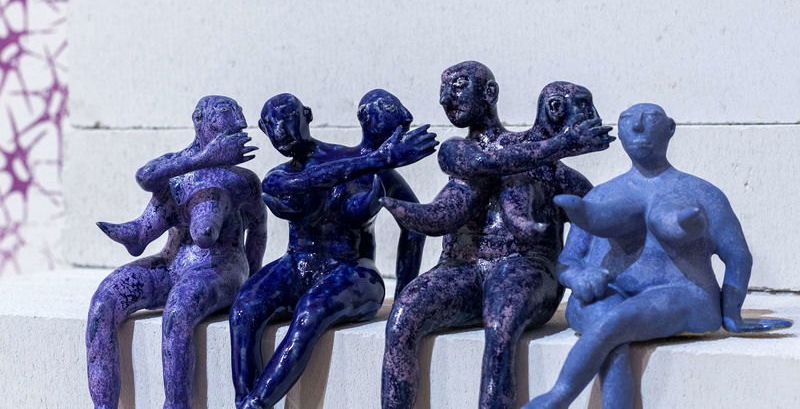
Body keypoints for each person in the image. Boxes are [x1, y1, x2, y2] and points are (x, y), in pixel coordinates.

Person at [525, 103, 793, 409]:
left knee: (613, 324)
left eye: (650, 118)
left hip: (682, 294)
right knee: (612, 338)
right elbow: (569, 260)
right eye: (627, 120)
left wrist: (732, 314)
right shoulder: (600, 194)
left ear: (670, 128)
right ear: (620, 132)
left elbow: (738, 257)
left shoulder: (701, 193)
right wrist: (578, 277)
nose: (638, 126)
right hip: (606, 293)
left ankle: (558, 396)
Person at [380, 61, 614, 409]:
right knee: (403, 315)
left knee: (500, 323)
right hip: (461, 268)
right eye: (442, 89)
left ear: (489, 92)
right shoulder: (457, 151)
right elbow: (483, 165)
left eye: (458, 86)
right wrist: (564, 144)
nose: (445, 98)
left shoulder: (537, 160)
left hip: (526, 266)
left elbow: (593, 217)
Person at [231, 90, 437, 409]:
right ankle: (242, 399)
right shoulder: (280, 176)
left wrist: (404, 294)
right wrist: (380, 159)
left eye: (288, 119)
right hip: (296, 265)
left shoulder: (364, 165)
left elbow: (414, 223)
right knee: (244, 308)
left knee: (310, 311)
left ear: (307, 115)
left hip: (352, 271)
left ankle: (255, 404)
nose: (281, 131)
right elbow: (302, 183)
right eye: (271, 125)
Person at [87, 95, 266, 409]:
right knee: (104, 301)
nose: (239, 121)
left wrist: (250, 281)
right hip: (171, 264)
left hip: (218, 267)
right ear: (200, 120)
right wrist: (204, 158)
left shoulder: (242, 181)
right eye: (227, 112)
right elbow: (144, 176)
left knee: (178, 311)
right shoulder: (179, 167)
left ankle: (176, 405)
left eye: (239, 112)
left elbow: (258, 231)